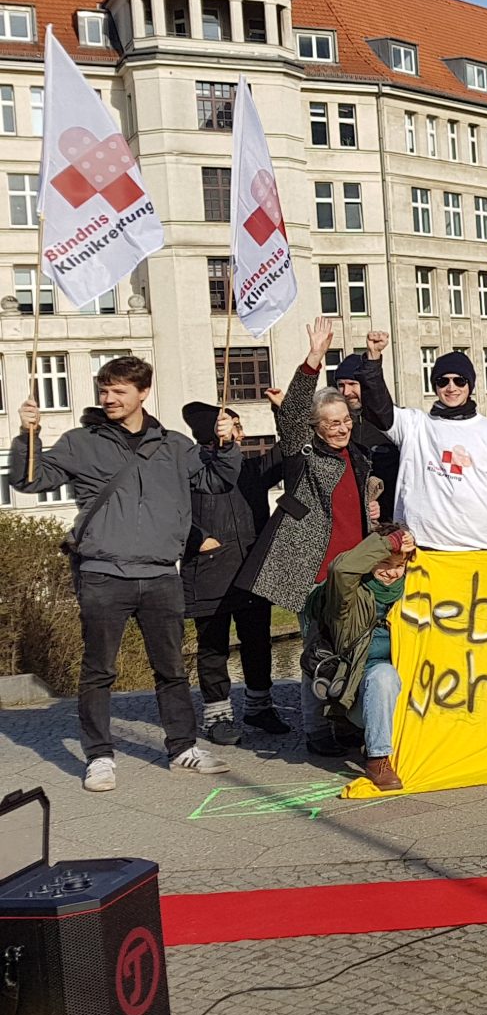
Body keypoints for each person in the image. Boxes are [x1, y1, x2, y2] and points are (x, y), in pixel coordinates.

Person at [9, 356, 240, 791]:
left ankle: (182, 748)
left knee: (171, 668)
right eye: (104, 390)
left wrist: (226, 446)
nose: (108, 398)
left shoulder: (173, 445)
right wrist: (28, 435)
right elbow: (30, 480)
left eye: (118, 391)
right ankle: (99, 757)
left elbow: (215, 481)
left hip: (159, 575)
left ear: (143, 393)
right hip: (103, 573)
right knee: (99, 671)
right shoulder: (81, 442)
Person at [236, 320, 378, 756]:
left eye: (344, 420)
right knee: (318, 652)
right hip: (314, 569)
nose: (339, 427)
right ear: (316, 427)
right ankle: (317, 733)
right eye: (330, 423)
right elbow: (295, 412)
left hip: (353, 569)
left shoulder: (355, 455)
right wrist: (313, 359)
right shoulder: (303, 451)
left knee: (355, 648)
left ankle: (350, 724)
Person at [363, 349, 487, 551]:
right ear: (435, 386)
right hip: (422, 545)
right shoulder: (415, 424)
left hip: (475, 547)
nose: (451, 388)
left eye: (459, 381)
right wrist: (373, 361)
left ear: (470, 385)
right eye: (443, 381)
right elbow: (379, 408)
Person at [180, 403, 288, 745]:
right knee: (213, 647)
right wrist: (196, 540)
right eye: (232, 427)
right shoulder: (189, 471)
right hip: (208, 572)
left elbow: (291, 446)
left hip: (251, 569)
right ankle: (218, 714)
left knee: (257, 641)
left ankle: (259, 705)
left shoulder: (252, 469)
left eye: (237, 427)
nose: (240, 434)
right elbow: (170, 514)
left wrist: (282, 412)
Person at [308, 523, 415, 791]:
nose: (392, 572)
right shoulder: (348, 596)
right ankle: (378, 759)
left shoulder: (414, 590)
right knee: (383, 676)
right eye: (384, 563)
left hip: (407, 687)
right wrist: (388, 542)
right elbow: (341, 569)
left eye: (399, 565)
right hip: (358, 690)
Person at [329, 352, 398, 522]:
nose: (346, 392)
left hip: (392, 520)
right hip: (347, 519)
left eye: (353, 384)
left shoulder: (393, 423)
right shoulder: (332, 426)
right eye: (341, 385)